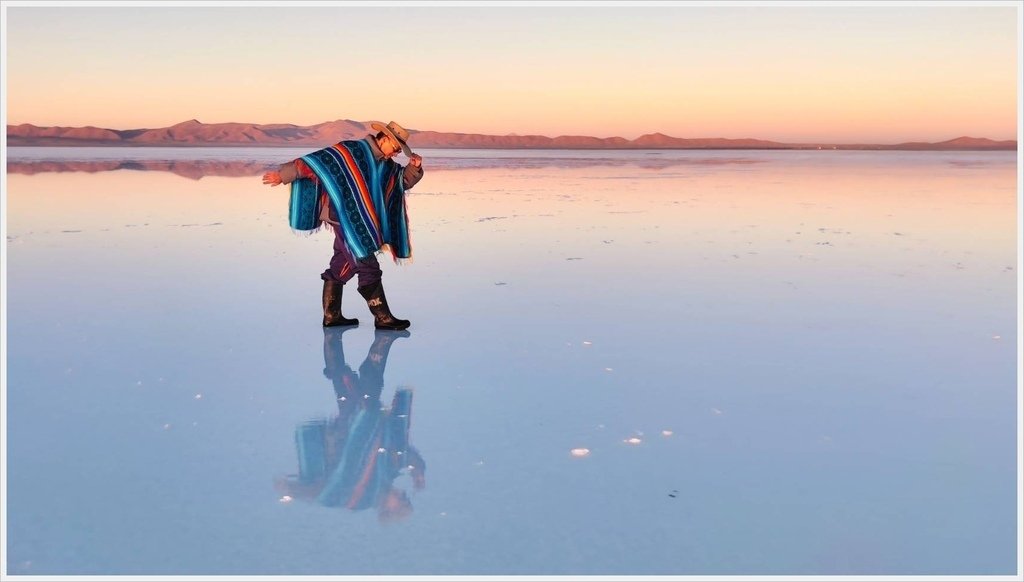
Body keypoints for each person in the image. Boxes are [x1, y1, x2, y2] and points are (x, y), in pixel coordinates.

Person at [262, 121, 424, 330]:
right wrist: (283, 176)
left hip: (360, 218)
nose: (395, 154)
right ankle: (382, 317)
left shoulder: (385, 164)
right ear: (384, 139)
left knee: (342, 262)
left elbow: (400, 182)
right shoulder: (351, 150)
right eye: (395, 149)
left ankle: (332, 315)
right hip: (341, 216)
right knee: (365, 260)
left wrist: (414, 168)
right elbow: (317, 162)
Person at [275, 327, 425, 522]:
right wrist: (419, 470)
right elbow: (403, 454)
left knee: (357, 384)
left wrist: (294, 490)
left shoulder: (360, 499)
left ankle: (378, 341)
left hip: (350, 427)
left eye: (402, 503)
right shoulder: (388, 475)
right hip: (357, 420)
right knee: (342, 378)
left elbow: (327, 494)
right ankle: (334, 332)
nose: (403, 496)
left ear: (387, 510)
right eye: (406, 499)